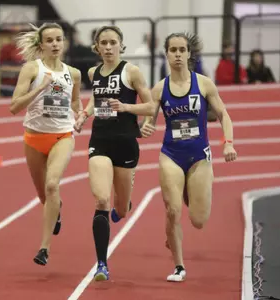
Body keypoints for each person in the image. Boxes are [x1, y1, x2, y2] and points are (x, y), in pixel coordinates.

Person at [140, 32, 237, 282]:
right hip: (171, 155)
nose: (178, 55)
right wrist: (145, 127)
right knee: (172, 211)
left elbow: (224, 115)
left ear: (189, 53)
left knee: (198, 220)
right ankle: (179, 266)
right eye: (173, 50)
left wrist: (228, 143)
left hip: (199, 156)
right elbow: (148, 121)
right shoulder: (160, 88)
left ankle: (189, 192)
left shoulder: (204, 84)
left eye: (182, 50)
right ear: (167, 53)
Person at [74, 25, 156, 281]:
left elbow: (151, 106)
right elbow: (96, 98)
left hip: (125, 143)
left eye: (113, 42)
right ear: (96, 47)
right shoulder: (93, 71)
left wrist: (126, 107)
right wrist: (84, 114)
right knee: (101, 200)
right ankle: (102, 264)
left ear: (121, 45)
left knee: (121, 207)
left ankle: (124, 204)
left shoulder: (131, 71)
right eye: (104, 43)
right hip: (100, 141)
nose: (108, 47)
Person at [9, 22, 82, 266]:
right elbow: (14, 107)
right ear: (41, 45)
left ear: (64, 43)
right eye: (49, 40)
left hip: (62, 136)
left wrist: (80, 115)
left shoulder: (73, 73)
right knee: (44, 195)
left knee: (52, 185)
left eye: (58, 39)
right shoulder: (32, 69)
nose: (54, 44)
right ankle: (56, 208)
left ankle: (44, 248)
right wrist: (40, 88)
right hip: (34, 138)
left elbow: (75, 103)